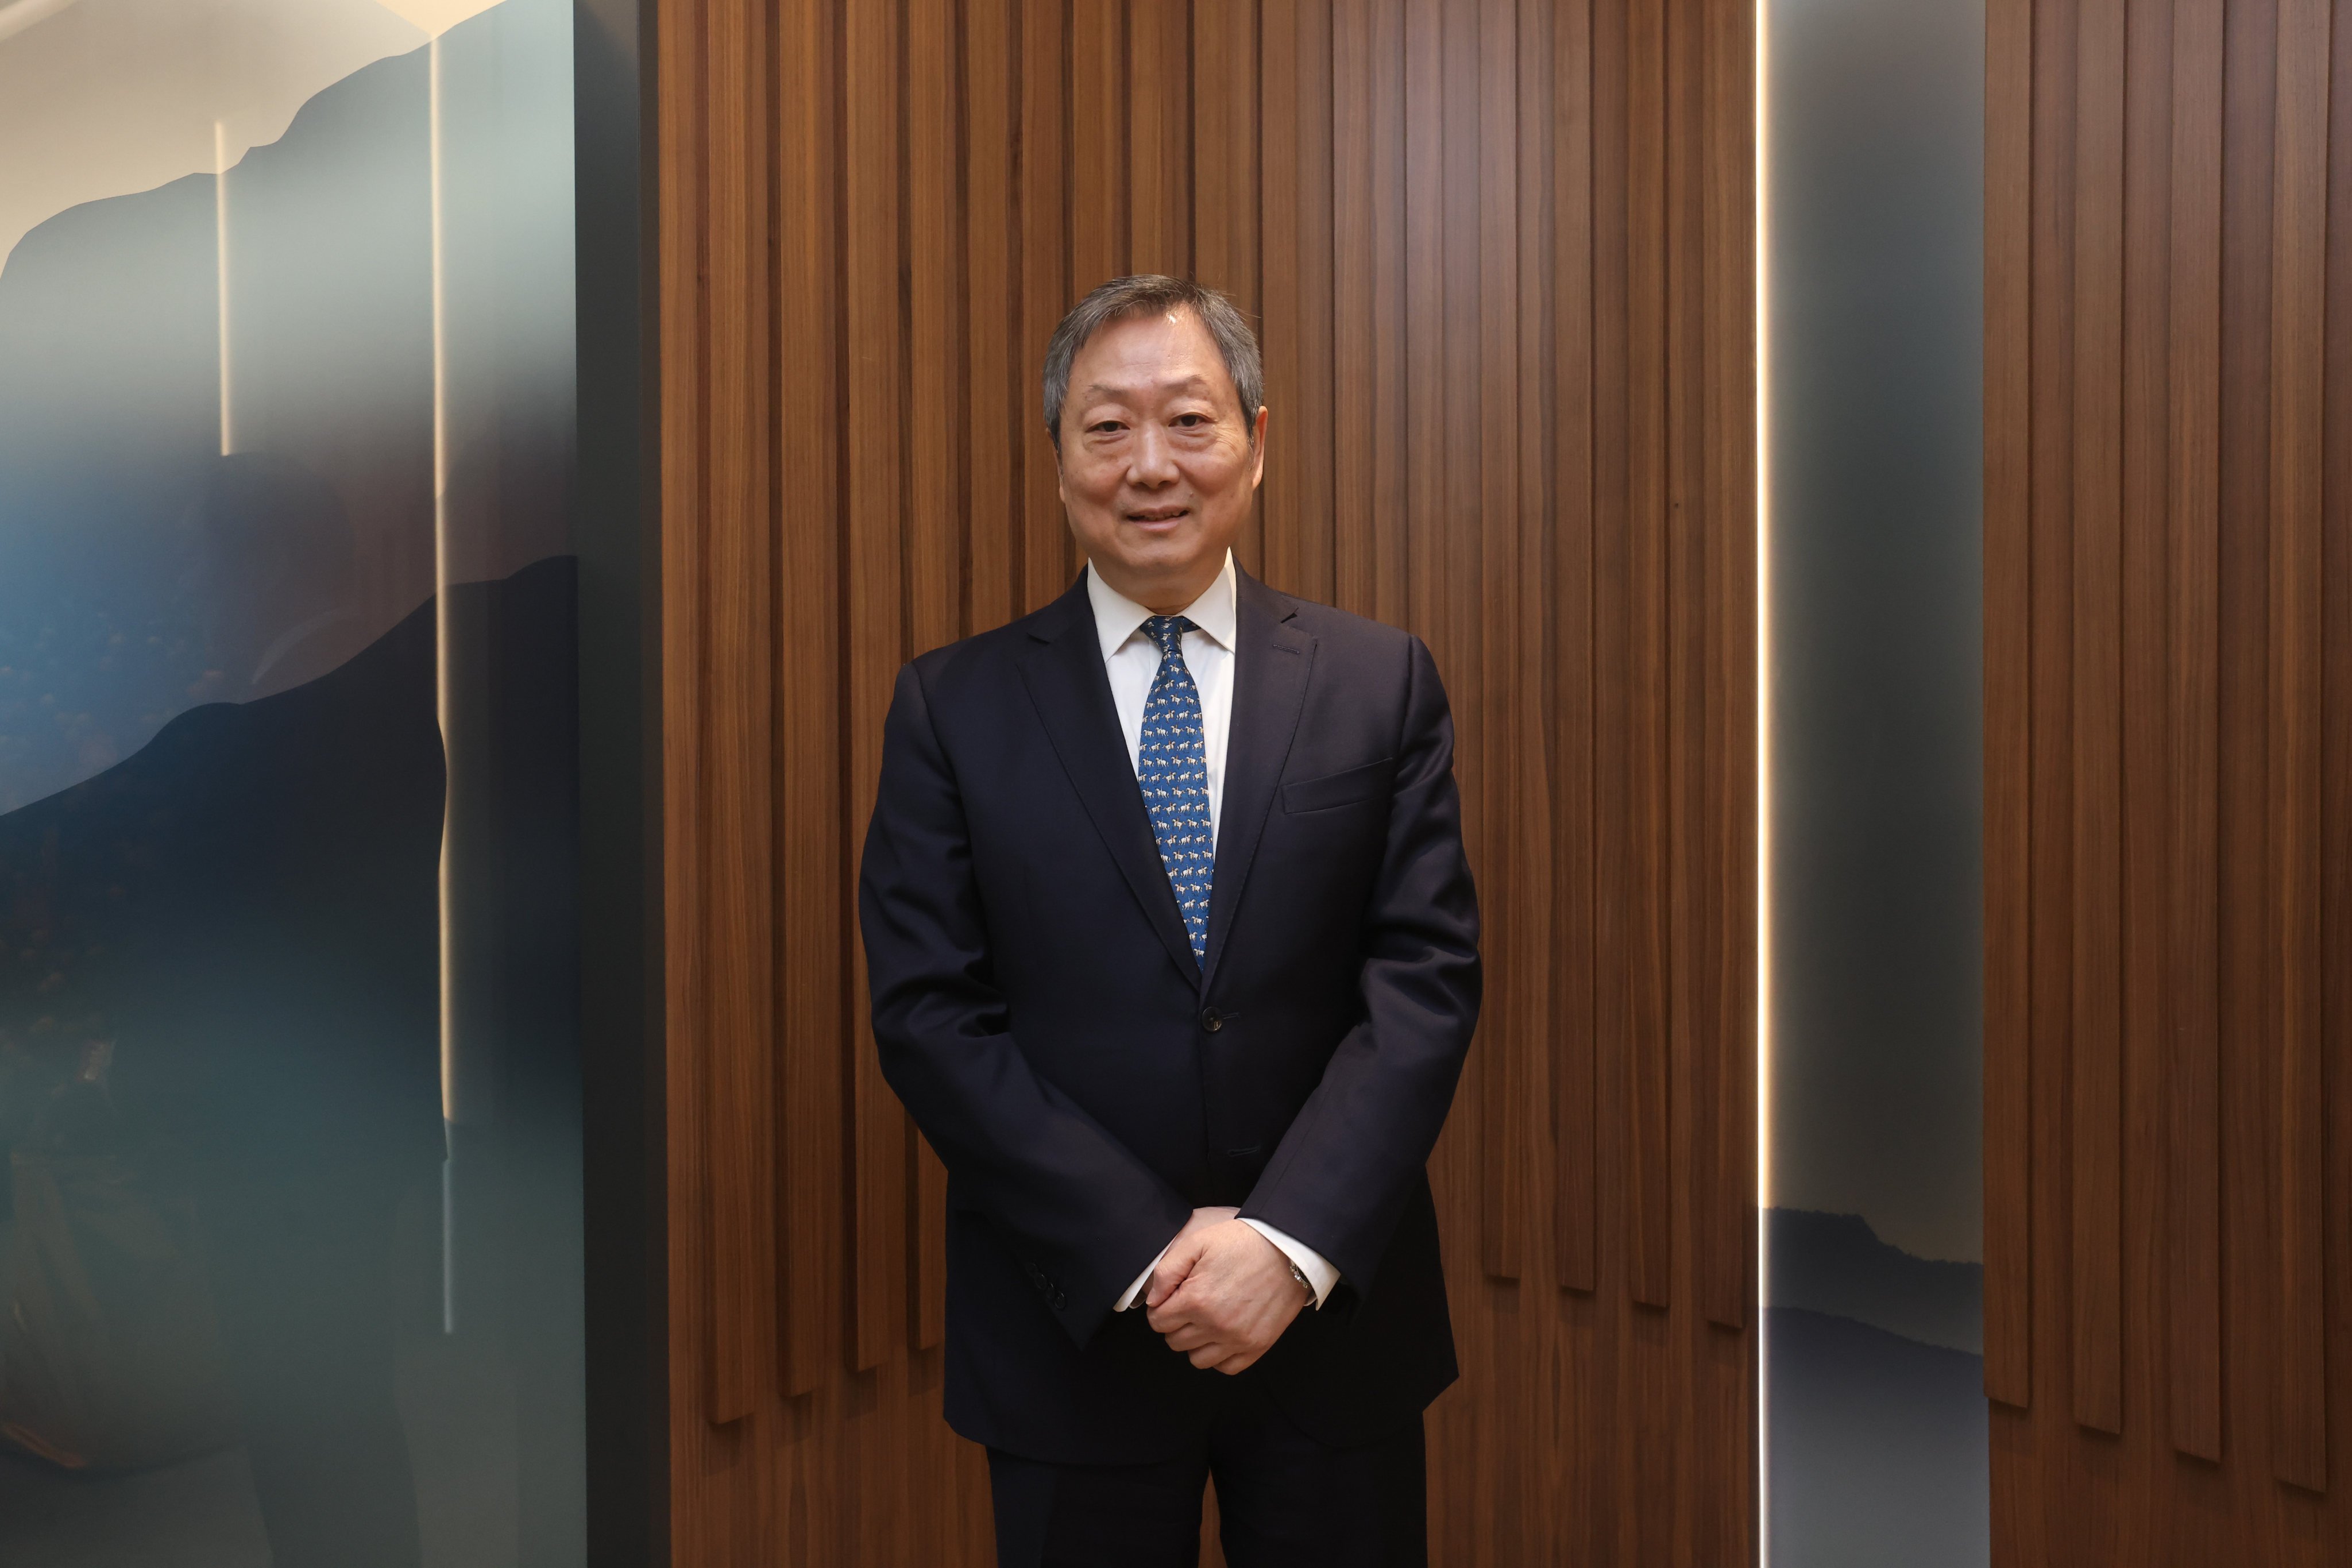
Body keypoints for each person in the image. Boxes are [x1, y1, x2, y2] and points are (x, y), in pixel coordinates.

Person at [858, 275, 1481, 1567]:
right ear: (1057, 457)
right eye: (1106, 428)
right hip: (1073, 1330)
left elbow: (1420, 983)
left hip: (1328, 1335)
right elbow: (930, 1017)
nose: (1150, 466)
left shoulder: (1378, 685)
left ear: (1257, 440)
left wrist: (1284, 1245)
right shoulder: (950, 711)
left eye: (1188, 421)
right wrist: (1145, 1250)